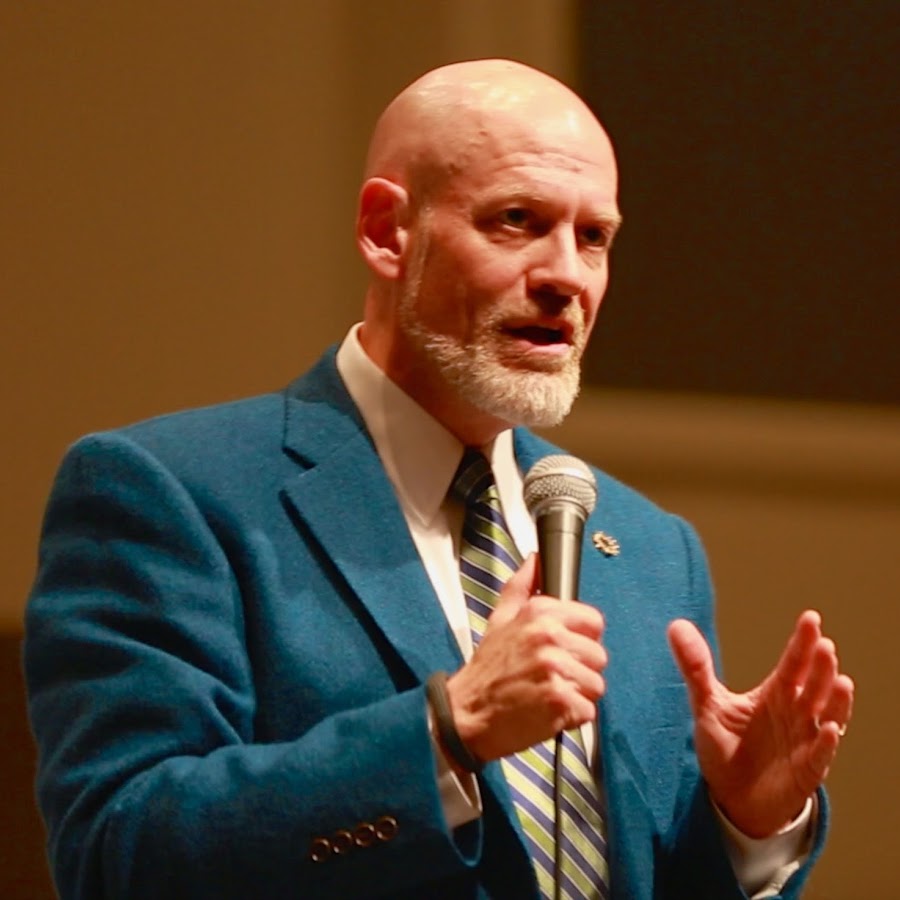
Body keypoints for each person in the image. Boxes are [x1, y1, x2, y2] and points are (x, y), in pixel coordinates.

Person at [24, 59, 854, 900]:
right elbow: (116, 853)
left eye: (594, 238)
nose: (566, 276)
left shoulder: (648, 547)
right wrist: (447, 730)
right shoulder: (172, 493)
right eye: (518, 220)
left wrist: (746, 823)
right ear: (388, 231)